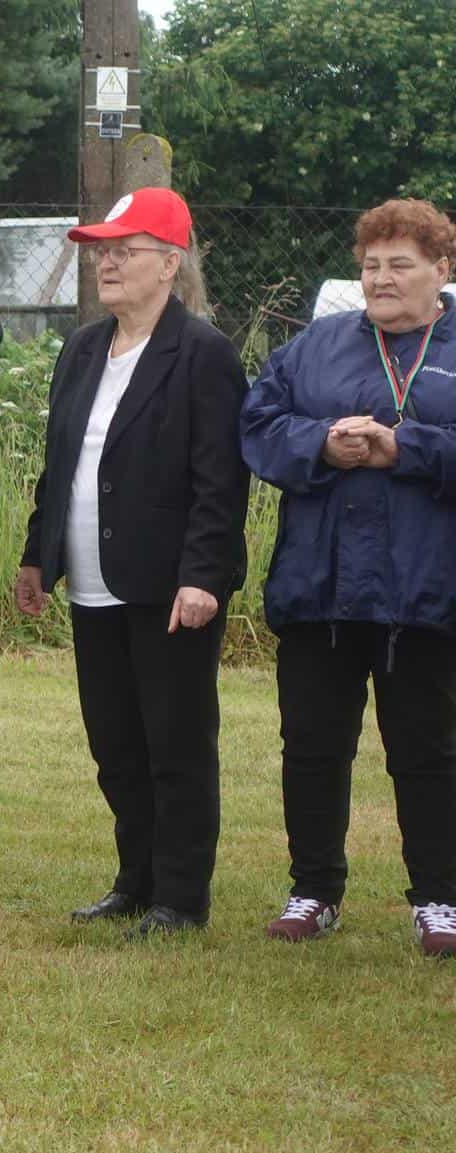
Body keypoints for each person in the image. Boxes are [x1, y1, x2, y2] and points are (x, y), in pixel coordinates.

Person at [15, 188, 250, 938]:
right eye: (102, 252)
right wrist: (37, 555)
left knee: (175, 747)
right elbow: (60, 465)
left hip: (168, 586)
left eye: (126, 250)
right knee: (115, 747)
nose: (108, 263)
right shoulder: (84, 348)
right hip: (91, 584)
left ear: (169, 264)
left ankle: (181, 897)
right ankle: (137, 880)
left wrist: (203, 576)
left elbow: (221, 482)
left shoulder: (203, 355)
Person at [240, 197, 456, 958]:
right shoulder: (316, 346)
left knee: (428, 752)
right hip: (320, 587)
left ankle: (440, 899)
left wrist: (409, 449)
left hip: (427, 593)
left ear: (442, 269)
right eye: (370, 265)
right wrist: (320, 444)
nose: (381, 278)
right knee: (312, 747)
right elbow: (256, 425)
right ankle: (314, 891)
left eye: (400, 264)